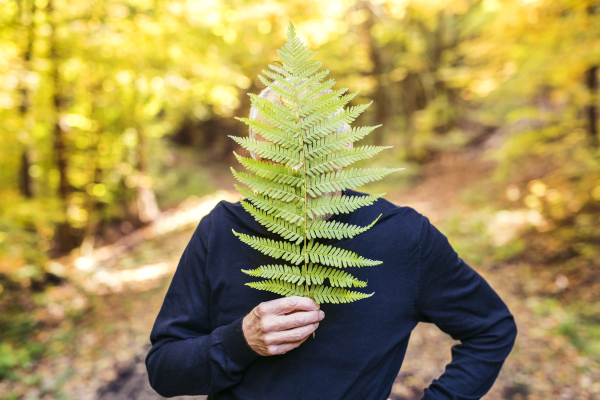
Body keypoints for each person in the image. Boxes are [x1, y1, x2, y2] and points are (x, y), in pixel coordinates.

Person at [145, 86, 518, 400]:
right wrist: (239, 341)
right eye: (279, 156)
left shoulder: (403, 237)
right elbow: (163, 370)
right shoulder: (222, 230)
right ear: (256, 158)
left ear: (345, 149)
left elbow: (491, 329)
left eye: (318, 152)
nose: (300, 174)